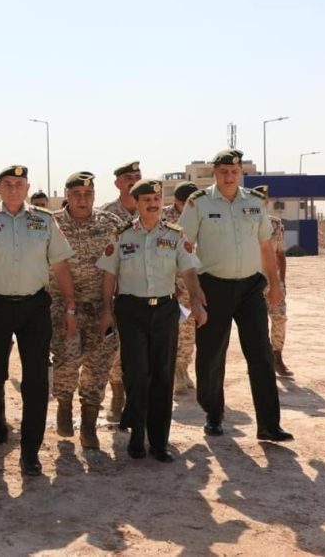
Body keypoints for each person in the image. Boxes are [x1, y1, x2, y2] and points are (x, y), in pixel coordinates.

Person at [0, 165, 77, 477]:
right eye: (7, 184)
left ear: (27, 187)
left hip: (34, 307)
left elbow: (60, 266)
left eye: (19, 184)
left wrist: (70, 306)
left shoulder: (44, 220)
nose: (13, 189)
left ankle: (30, 452)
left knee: (36, 381)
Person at [178, 149, 293, 443]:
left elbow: (265, 246)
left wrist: (275, 285)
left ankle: (269, 424)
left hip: (250, 289)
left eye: (234, 172)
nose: (229, 177)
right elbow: (184, 246)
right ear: (214, 173)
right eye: (223, 172)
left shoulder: (253, 202)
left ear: (241, 173)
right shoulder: (199, 203)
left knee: (261, 354)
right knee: (211, 355)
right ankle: (213, 414)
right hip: (212, 287)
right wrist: (193, 291)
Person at [99, 179, 208, 462]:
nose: (153, 204)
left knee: (162, 375)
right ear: (136, 203)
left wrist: (197, 301)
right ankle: (137, 435)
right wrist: (107, 309)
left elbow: (189, 270)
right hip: (131, 311)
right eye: (146, 199)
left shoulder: (175, 234)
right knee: (137, 373)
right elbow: (109, 274)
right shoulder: (121, 235)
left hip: (164, 310)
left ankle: (159, 442)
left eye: (157, 199)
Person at [49, 171, 121, 449]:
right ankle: (64, 405)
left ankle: (89, 424)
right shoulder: (51, 223)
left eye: (88, 194)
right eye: (77, 194)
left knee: (99, 364)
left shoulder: (110, 223)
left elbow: (119, 265)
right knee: (67, 359)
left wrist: (110, 307)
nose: (82, 199)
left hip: (101, 305)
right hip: (61, 304)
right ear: (67, 195)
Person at [101, 160, 142, 421]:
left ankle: (138, 401)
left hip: (142, 291)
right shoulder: (107, 215)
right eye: (128, 178)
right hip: (116, 292)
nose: (133, 182)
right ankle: (117, 394)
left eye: (137, 177)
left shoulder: (151, 209)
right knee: (115, 347)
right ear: (117, 183)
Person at [162, 180, 200, 394]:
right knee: (175, 328)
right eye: (183, 202)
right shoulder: (163, 218)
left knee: (190, 329)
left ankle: (183, 368)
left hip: (194, 281)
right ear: (176, 201)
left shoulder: (202, 215)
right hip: (172, 283)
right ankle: (175, 372)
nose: (187, 206)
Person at [255, 185, 292, 377]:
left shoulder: (276, 224)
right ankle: (258, 360)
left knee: (279, 317)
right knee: (256, 323)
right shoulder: (244, 223)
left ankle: (277, 355)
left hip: (273, 282)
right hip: (253, 282)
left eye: (262, 199)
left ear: (266, 201)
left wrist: (282, 282)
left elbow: (281, 255)